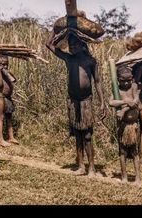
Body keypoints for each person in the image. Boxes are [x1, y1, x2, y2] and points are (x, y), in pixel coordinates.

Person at [46, 31, 106, 177]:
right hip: (73, 101)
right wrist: (56, 30)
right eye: (70, 44)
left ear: (82, 44)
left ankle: (91, 167)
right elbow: (48, 45)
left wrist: (102, 102)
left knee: (87, 135)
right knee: (77, 134)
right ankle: (80, 166)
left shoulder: (91, 61)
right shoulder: (69, 59)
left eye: (75, 44)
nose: (72, 47)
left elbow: (97, 82)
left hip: (86, 100)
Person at [109, 64, 141, 184]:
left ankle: (138, 177)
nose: (127, 83)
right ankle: (124, 176)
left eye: (129, 80)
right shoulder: (117, 89)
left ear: (132, 79)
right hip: (122, 126)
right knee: (122, 151)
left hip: (133, 125)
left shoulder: (134, 87)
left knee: (134, 152)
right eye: (123, 81)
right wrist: (123, 101)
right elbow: (111, 102)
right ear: (118, 80)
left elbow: (135, 102)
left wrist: (123, 109)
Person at [0, 53, 19, 147]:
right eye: (3, 64)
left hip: (8, 97)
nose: (5, 66)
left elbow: (14, 80)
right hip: (0, 96)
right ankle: (1, 138)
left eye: (7, 64)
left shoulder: (7, 72)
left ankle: (11, 137)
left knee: (9, 117)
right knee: (1, 117)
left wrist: (8, 73)